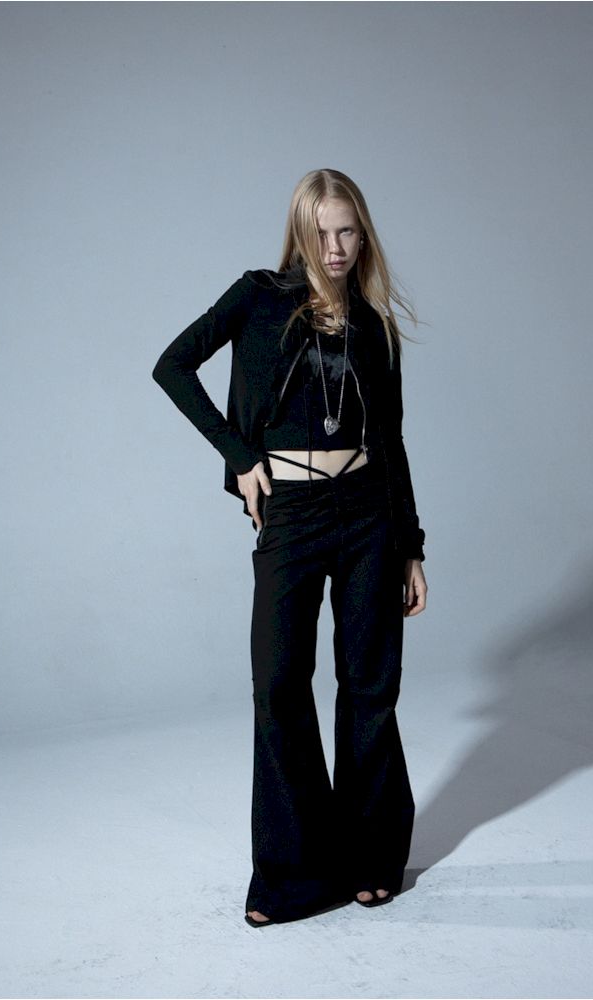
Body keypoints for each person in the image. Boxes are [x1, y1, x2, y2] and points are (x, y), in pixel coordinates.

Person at [152, 168, 427, 927]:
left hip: (368, 513)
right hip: (294, 512)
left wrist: (411, 546)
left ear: (363, 234)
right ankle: (292, 875)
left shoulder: (373, 327)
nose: (335, 247)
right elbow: (172, 365)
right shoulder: (258, 297)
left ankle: (371, 856)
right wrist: (240, 457)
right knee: (278, 684)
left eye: (348, 231)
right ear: (301, 233)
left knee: (369, 686)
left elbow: (392, 441)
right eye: (322, 232)